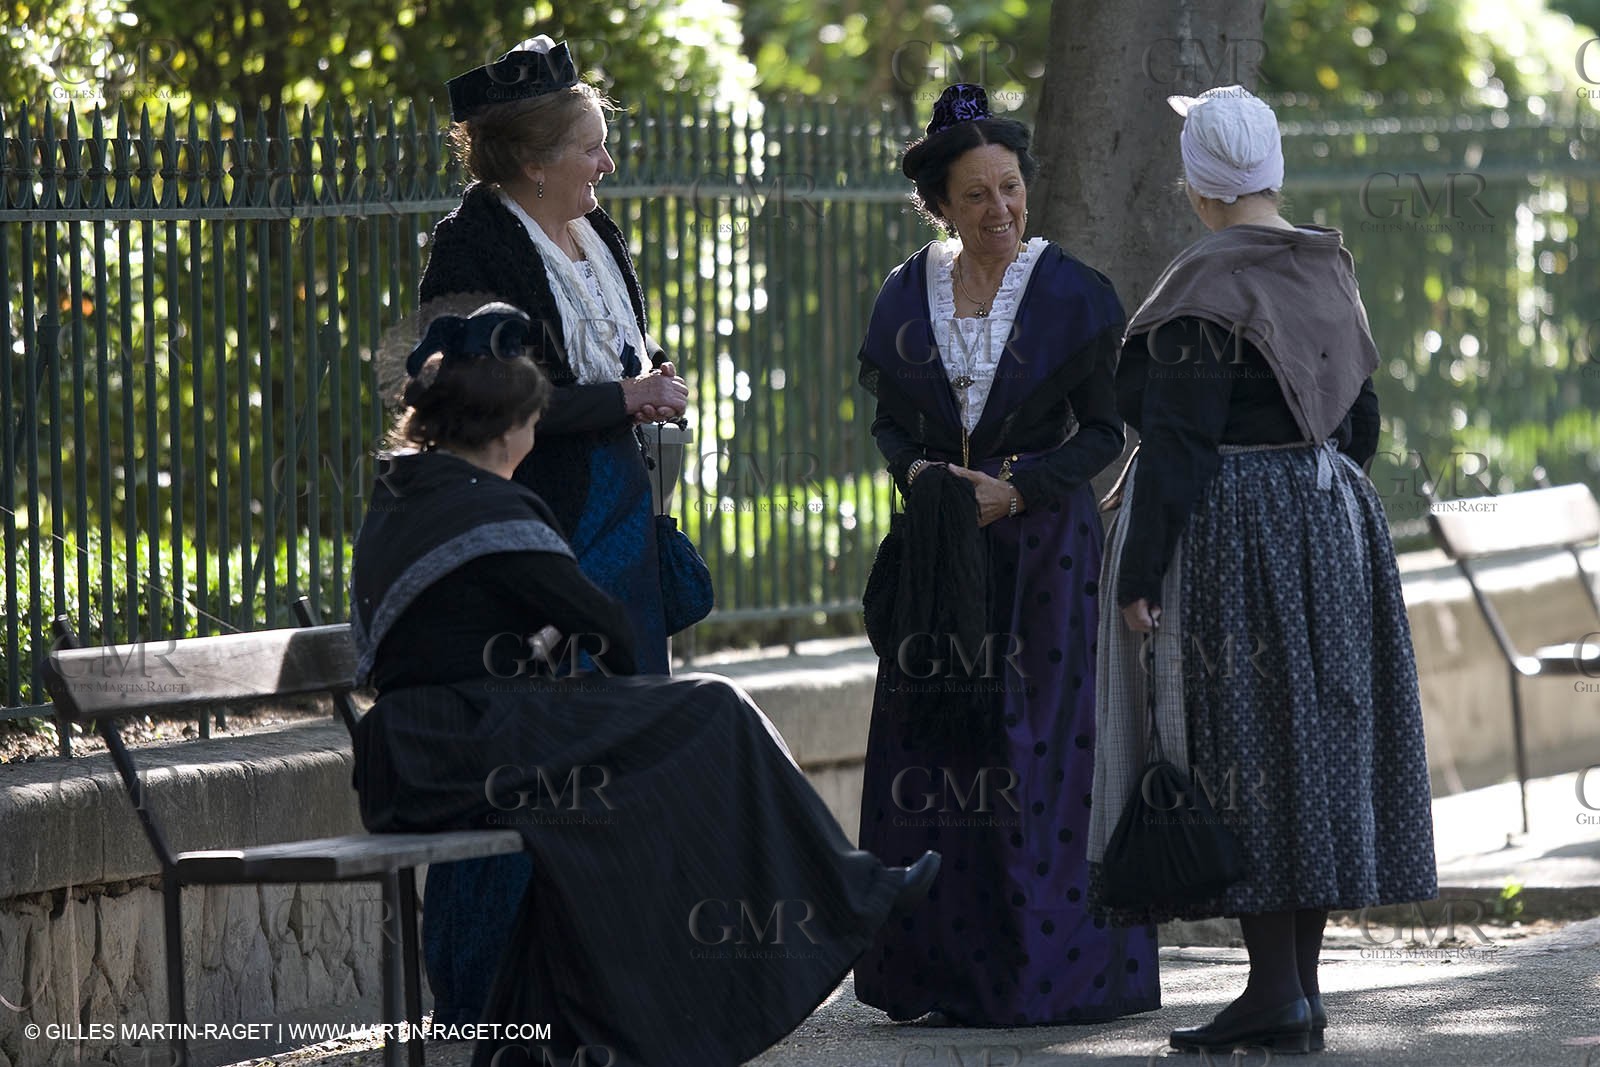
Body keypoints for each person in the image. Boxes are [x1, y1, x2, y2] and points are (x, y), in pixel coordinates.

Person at [349, 303, 938, 1067]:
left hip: (415, 753)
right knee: (713, 709)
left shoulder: (406, 490)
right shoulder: (487, 501)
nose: (534, 437)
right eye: (531, 421)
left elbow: (464, 625)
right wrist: (616, 699)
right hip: (466, 744)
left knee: (654, 769)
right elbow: (608, 626)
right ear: (504, 431)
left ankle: (591, 1024)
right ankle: (846, 897)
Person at [1088, 85, 1437, 1055]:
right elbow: (1359, 421)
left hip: (1234, 531)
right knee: (1308, 750)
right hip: (1331, 521)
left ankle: (1279, 991)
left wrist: (1139, 573)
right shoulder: (1323, 263)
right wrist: (1314, 505)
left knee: (1244, 745)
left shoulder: (1203, 286)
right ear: (1273, 171)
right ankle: (1292, 993)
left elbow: (1178, 442)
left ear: (1197, 187)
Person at [853, 83, 1160, 1026]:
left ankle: (1055, 977)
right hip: (942, 556)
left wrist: (1018, 486)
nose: (1001, 209)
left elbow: (1104, 430)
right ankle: (943, 976)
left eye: (1012, 188)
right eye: (977, 194)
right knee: (941, 755)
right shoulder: (906, 293)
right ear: (941, 205)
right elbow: (890, 425)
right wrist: (922, 477)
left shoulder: (1071, 291)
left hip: (1046, 560)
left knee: (1042, 759)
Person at [412, 35, 689, 1023]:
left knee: (621, 748)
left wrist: (644, 386)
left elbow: (614, 358)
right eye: (590, 148)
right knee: (526, 760)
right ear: (532, 159)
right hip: (528, 533)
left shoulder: (596, 232)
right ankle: (491, 989)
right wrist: (623, 396)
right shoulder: (471, 248)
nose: (606, 164)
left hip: (619, 520)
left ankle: (606, 977)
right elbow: (480, 405)